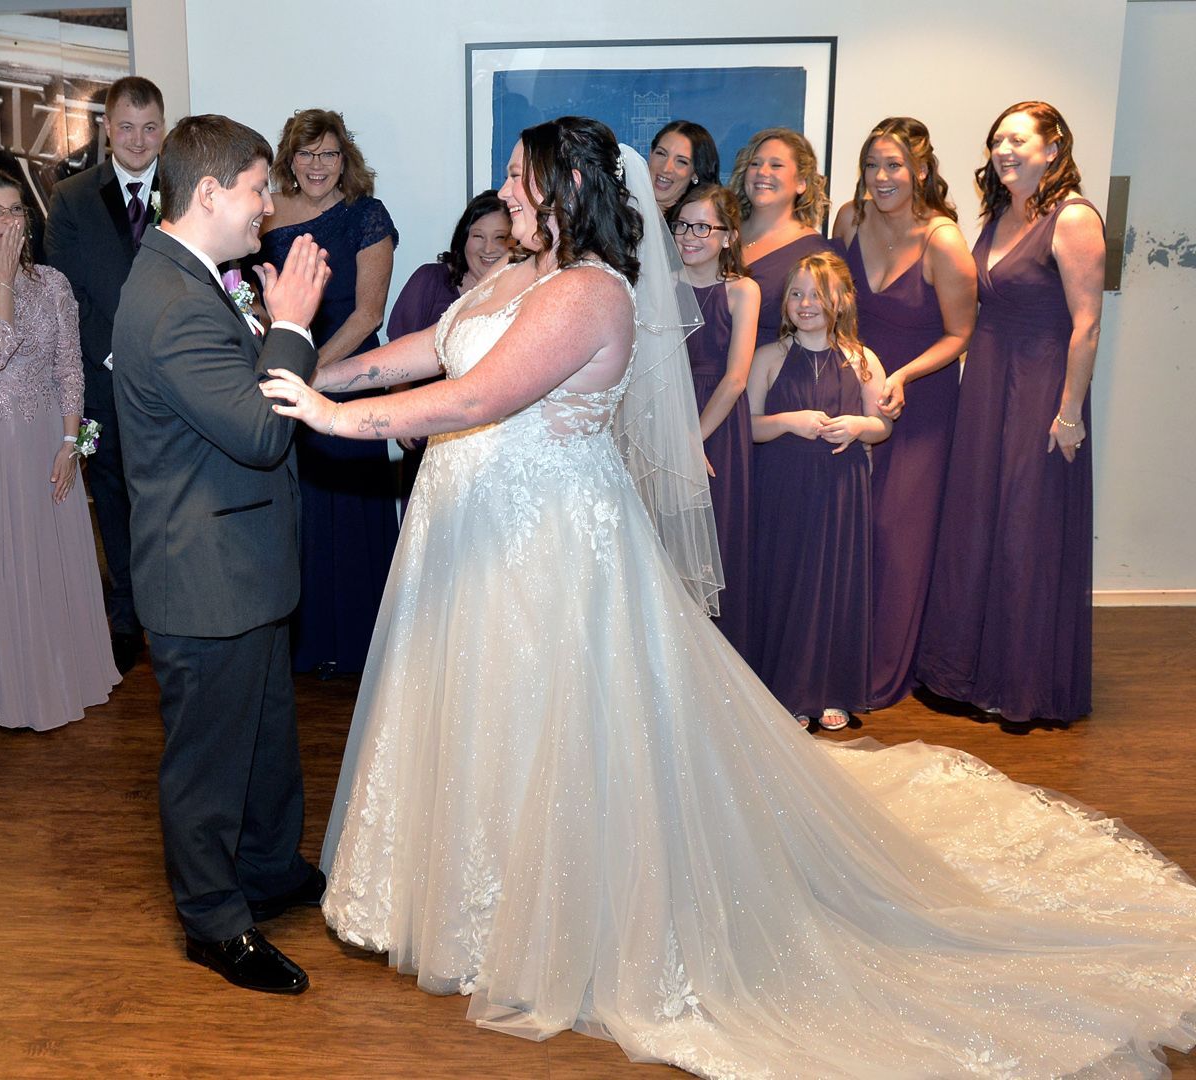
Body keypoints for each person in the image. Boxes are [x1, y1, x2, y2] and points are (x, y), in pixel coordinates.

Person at [261, 117, 1196, 1073]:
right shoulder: (508, 275)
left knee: (546, 719)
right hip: (467, 525)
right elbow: (427, 350)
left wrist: (332, 415)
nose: (504, 194)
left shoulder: (592, 294)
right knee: (473, 709)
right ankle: (460, 899)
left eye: (520, 180)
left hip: (545, 542)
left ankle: (544, 917)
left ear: (570, 190)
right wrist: (303, 372)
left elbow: (472, 400)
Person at [111, 114, 330, 995]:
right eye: (257, 189)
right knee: (207, 762)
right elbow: (256, 432)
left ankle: (271, 871)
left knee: (268, 740)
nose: (267, 208)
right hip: (204, 577)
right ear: (209, 193)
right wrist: (292, 325)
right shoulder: (168, 301)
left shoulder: (193, 277)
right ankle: (214, 920)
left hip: (242, 566)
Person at [918, 101, 1103, 725]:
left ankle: (1022, 683)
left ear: (1053, 148)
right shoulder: (999, 213)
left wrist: (1070, 412)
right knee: (979, 521)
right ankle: (968, 674)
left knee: (1026, 527)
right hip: (987, 385)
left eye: (1018, 139)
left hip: (1042, 386)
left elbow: (1087, 324)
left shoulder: (1072, 217)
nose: (1003, 149)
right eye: (998, 139)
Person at [0, 168, 120, 730]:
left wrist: (72, 443)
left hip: (46, 436)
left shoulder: (56, 283)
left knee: (49, 552)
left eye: (16, 210)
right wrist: (5, 281)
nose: (7, 221)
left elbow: (70, 367)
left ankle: (61, 675)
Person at [829, 117, 976, 711]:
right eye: (872, 165)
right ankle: (836, 657)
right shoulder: (848, 220)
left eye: (894, 165)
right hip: (854, 393)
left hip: (920, 405)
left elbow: (961, 333)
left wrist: (905, 375)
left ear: (920, 170)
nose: (882, 177)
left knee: (897, 536)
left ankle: (883, 671)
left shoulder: (942, 239)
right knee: (851, 527)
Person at [257, 109, 399, 677]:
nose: (317, 165)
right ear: (289, 159)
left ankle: (361, 645)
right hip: (284, 374)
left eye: (329, 153)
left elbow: (368, 315)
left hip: (348, 373)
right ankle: (306, 644)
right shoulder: (265, 214)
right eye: (306, 153)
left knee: (351, 505)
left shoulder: (367, 215)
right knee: (300, 509)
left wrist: (310, 372)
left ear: (347, 160)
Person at [43, 75, 167, 675]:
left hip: (177, 379)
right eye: (126, 127)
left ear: (163, 129)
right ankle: (124, 615)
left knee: (173, 493)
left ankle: (174, 607)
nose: (138, 140)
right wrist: (118, 352)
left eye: (149, 127)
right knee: (113, 495)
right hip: (103, 376)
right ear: (106, 129)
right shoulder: (68, 198)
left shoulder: (192, 190)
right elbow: (65, 294)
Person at [746, 251, 890, 730]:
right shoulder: (767, 358)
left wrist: (858, 425)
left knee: (832, 586)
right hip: (782, 493)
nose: (806, 303)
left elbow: (883, 425)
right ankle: (784, 688)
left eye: (818, 294)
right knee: (786, 581)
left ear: (842, 300)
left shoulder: (863, 360)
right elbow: (748, 428)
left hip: (840, 494)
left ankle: (830, 687)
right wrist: (789, 421)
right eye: (796, 293)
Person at [673, 182, 759, 652]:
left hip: (718, 430)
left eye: (703, 226)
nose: (690, 235)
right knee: (669, 553)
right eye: (683, 225)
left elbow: (736, 379)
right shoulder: (662, 285)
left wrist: (692, 440)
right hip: (667, 421)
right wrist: (669, 437)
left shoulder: (744, 291)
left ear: (728, 236)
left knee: (718, 546)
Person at [385, 190, 512, 499]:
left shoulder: (520, 292)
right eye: (478, 236)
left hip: (499, 442)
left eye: (500, 237)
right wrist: (403, 416)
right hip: (431, 436)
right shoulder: (431, 281)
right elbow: (399, 353)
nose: (488, 248)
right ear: (463, 238)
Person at [729, 127, 831, 349]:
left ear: (801, 183)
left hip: (769, 379)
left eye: (776, 165)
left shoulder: (817, 254)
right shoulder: (718, 234)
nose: (762, 172)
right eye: (755, 163)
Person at [647, 119, 721, 218]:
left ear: (696, 173)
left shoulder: (694, 227)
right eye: (661, 154)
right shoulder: (624, 211)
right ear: (651, 153)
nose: (666, 168)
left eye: (681, 161)